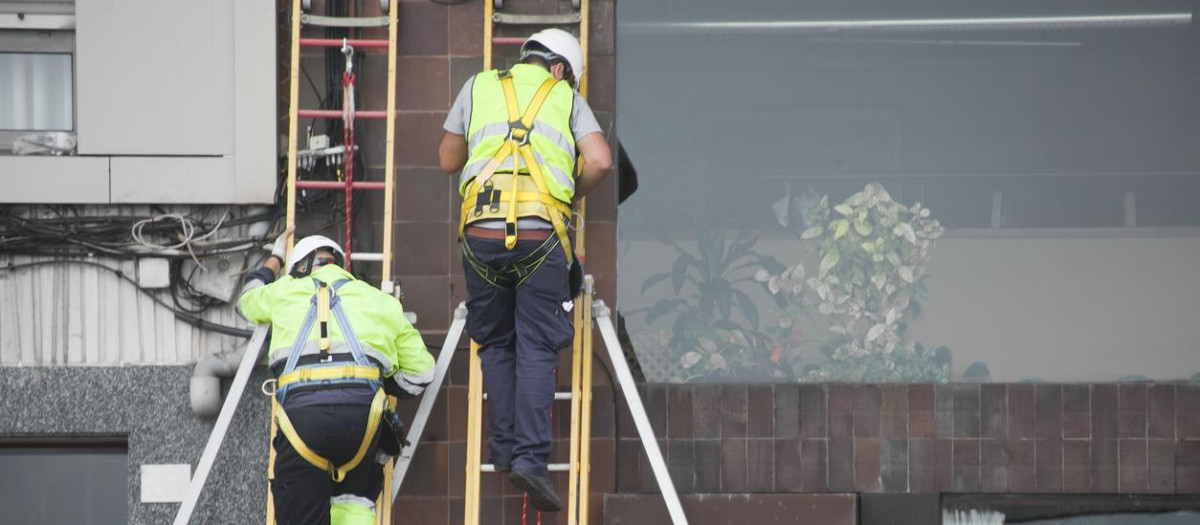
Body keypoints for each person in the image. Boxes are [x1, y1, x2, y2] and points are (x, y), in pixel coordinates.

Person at [437, 28, 612, 512]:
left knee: (495, 340)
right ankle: (530, 462)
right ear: (560, 70)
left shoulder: (478, 86)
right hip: (542, 236)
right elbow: (600, 159)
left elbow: (447, 160)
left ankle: (502, 449)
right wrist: (567, 194)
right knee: (536, 344)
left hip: (481, 235)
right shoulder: (563, 96)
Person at [238, 227, 435, 525]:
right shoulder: (380, 301)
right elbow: (422, 372)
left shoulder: (282, 291)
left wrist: (275, 259)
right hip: (362, 422)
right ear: (340, 265)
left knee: (299, 506)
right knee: (355, 498)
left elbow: (247, 298)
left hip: (303, 422)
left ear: (299, 269)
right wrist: (382, 383)